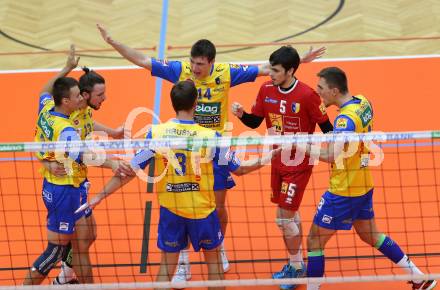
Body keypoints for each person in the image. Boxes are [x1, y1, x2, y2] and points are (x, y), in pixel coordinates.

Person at [97, 23, 326, 282]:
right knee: (179, 206)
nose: (195, 69)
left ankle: (218, 247)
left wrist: (299, 61)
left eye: (201, 65)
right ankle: (182, 260)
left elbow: (267, 70)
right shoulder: (180, 71)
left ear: (212, 63)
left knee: (217, 207)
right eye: (193, 63)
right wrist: (113, 42)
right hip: (183, 145)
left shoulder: (226, 73)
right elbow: (142, 60)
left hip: (214, 148)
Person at [76, 80, 281, 290]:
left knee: (166, 265)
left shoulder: (156, 134)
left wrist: (99, 196)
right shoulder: (210, 137)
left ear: (173, 104)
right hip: (202, 212)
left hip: (171, 211)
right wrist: (267, 158)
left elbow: (129, 170)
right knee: (214, 264)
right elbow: (240, 169)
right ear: (196, 104)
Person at [294, 67, 436, 290]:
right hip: (363, 183)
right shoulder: (363, 102)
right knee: (370, 235)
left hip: (343, 191)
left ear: (334, 90)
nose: (318, 93)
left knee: (314, 241)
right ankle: (418, 276)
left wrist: (301, 146)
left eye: (321, 89)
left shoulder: (344, 120)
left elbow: (332, 156)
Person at [231, 46, 333, 290]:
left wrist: (334, 152)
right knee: (289, 213)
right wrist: (242, 114)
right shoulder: (266, 89)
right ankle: (296, 263)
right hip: (277, 160)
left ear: (290, 71)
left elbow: (328, 129)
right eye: (271, 68)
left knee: (282, 220)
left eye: (276, 70)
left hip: (299, 164)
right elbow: (256, 121)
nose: (271, 74)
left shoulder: (308, 95)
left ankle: (297, 267)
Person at [38, 45, 133, 284]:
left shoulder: (83, 109)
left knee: (89, 235)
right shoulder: (67, 118)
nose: (105, 98)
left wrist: (112, 132)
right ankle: (66, 279)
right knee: (76, 243)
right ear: (84, 95)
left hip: (79, 183)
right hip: (65, 186)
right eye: (100, 95)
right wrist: (112, 164)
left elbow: (89, 122)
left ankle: (66, 273)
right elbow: (83, 154)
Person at [23, 77, 85, 285]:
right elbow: (83, 156)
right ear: (65, 101)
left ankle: (64, 280)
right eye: (77, 95)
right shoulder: (66, 129)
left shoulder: (47, 109)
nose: (81, 98)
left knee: (71, 239)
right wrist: (113, 164)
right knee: (55, 250)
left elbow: (43, 90)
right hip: (63, 190)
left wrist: (66, 69)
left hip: (51, 185)